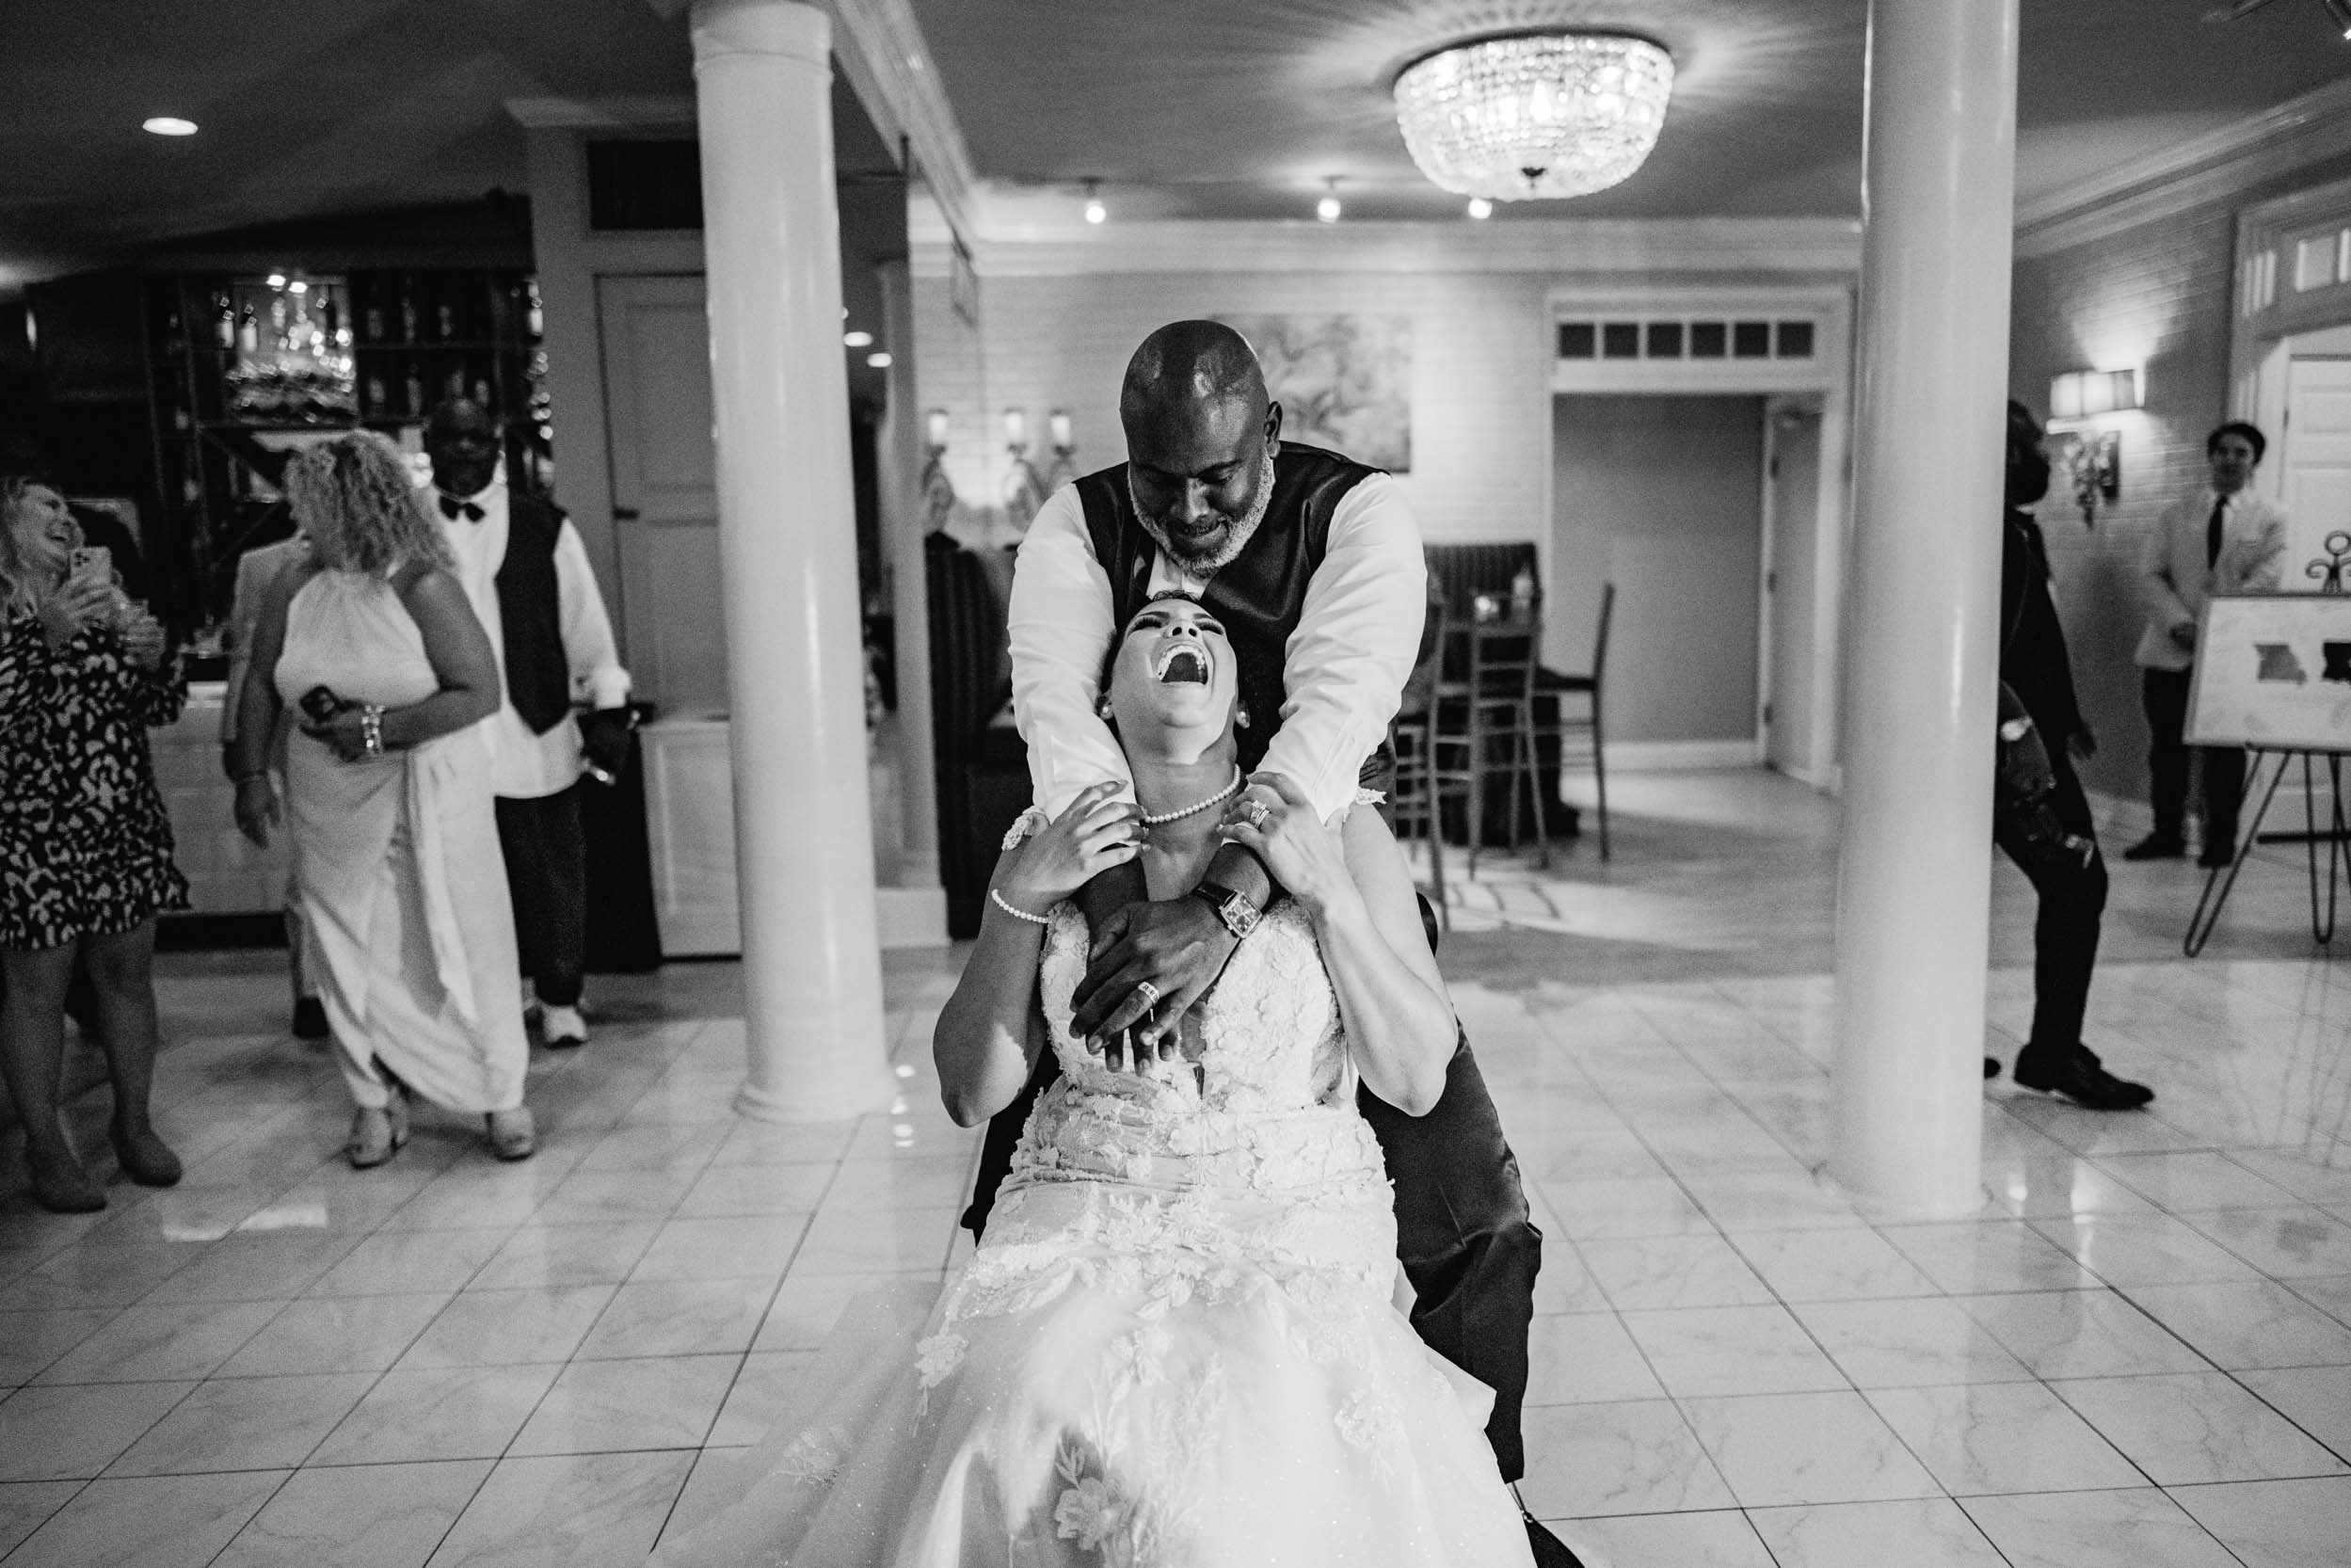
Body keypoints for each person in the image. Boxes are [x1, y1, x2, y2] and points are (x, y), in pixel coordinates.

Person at [656, 595, 1542, 1567]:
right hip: (1087, 1208)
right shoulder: (1049, 835)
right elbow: (969, 1090)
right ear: (1101, 699)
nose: (1183, 637)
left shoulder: (1332, 825)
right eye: (1151, 626)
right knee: (1033, 1411)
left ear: (1245, 704)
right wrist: (1019, 895)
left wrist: (1324, 889)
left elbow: (1415, 1080)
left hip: (1283, 1214)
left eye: (1206, 631)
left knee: (1247, 1450)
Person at [987, 320, 1563, 1561]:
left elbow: (1325, 732)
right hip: (1121, 859)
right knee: (1019, 1174)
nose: (1186, 509)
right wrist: (1115, 922)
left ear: (1272, 435)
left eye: (1219, 476)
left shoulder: (1356, 519)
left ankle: (1475, 1483)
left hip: (1311, 844)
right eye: (1159, 479)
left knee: (1476, 1202)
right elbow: (1060, 726)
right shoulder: (1070, 528)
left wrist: (1227, 912)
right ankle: (1019, 1452)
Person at [231, 431, 537, 1166]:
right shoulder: (293, 584)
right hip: (324, 788)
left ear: (359, 505)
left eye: (318, 504)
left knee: (458, 935)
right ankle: (372, 1096)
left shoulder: (422, 583)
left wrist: (376, 728)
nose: (306, 520)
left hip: (427, 779)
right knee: (345, 942)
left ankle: (499, 1093)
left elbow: (480, 691)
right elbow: (262, 681)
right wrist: (249, 774)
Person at [0, 475, 186, 1211]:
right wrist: (41, 639)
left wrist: (151, 658)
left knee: (128, 979)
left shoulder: (104, 598)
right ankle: (46, 1148)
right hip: (28, 832)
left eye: (70, 510)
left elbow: (158, 708)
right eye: (46, 505)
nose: (66, 518)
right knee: (36, 994)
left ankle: (133, 1126)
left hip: (120, 823)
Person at [424, 398, 632, 1050]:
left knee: (550, 873)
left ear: (496, 444)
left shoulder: (544, 525)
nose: (464, 450)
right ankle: (481, 997)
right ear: (429, 444)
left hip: (531, 727)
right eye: (450, 437)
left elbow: (584, 621)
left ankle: (560, 995)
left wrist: (608, 708)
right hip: (443, 731)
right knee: (458, 876)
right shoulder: (406, 526)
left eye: (476, 437)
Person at [1985, 404, 2152, 1111]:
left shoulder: (2014, 530)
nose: (2044, 463)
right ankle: (2055, 1052)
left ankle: (1954, 1037)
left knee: (1965, 886)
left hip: (2029, 738)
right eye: (2028, 447)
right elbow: (1976, 653)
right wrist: (2023, 737)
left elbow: (2032, 640)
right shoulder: (1990, 534)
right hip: (2013, 753)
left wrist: (2064, 717)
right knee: (2078, 881)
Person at [2123, 420, 2287, 867]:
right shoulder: (2176, 514)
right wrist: (2180, 621)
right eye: (2223, 452)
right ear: (2210, 457)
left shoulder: (2271, 516)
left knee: (2225, 753)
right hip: (2169, 649)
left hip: (2228, 653)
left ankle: (2220, 842)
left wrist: (2216, 625)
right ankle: (2166, 833)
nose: (2231, 460)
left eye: (2241, 453)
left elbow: (2268, 579)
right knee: (2166, 749)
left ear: (2254, 462)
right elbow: (2150, 572)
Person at [220, 529, 327, 1040]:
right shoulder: (262, 564)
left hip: (369, 727)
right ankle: (309, 991)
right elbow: (247, 654)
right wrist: (238, 740)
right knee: (304, 863)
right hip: (290, 729)